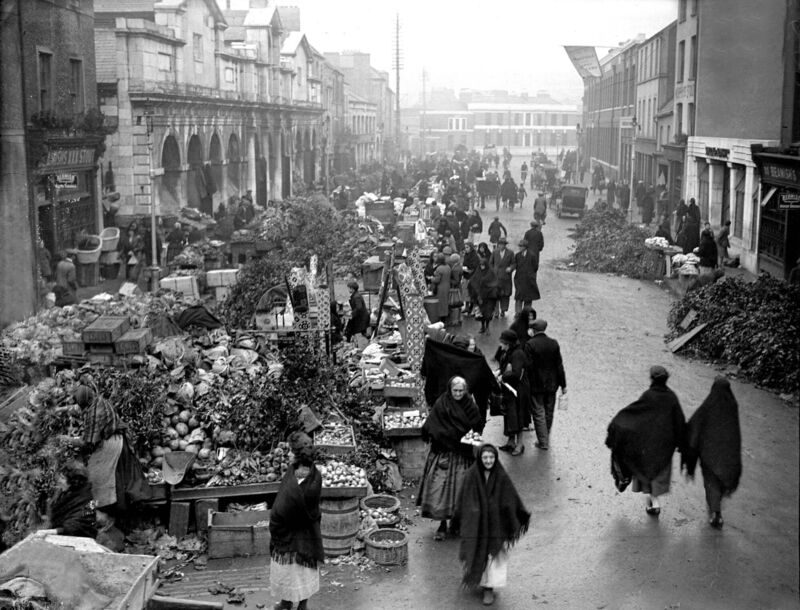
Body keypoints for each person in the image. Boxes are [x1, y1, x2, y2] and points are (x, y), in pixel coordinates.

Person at [61, 382, 150, 532]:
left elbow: (88, 442)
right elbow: (76, 409)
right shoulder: (97, 401)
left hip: (110, 444)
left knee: (95, 480)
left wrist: (67, 440)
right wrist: (59, 410)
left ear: (85, 401)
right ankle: (104, 514)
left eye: (79, 403)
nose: (78, 406)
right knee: (105, 480)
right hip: (113, 441)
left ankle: (97, 517)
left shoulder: (95, 412)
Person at [605, 366, 687, 516]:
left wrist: (617, 425)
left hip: (648, 444)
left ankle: (653, 502)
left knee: (648, 471)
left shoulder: (648, 396)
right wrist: (682, 444)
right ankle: (654, 501)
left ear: (652, 379)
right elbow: (679, 422)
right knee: (659, 473)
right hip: (664, 445)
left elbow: (635, 414)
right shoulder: (672, 398)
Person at [455, 443, 530, 606]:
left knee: (492, 557)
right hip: (477, 525)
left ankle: (489, 588)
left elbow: (510, 498)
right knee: (476, 550)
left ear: (495, 459)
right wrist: (473, 513)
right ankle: (479, 580)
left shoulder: (501, 476)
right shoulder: (471, 476)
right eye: (485, 457)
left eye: (491, 457)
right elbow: (464, 500)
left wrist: (518, 514)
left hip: (496, 525)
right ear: (480, 458)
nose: (488, 461)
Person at [417, 377, 485, 541]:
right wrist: (441, 435)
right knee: (440, 489)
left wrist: (473, 435)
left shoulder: (469, 405)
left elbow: (477, 424)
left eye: (461, 391)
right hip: (444, 453)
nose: (458, 394)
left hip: (463, 454)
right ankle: (441, 525)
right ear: (450, 390)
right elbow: (431, 424)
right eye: (455, 391)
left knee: (461, 490)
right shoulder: (443, 403)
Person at [269, 432, 325, 610]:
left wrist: (276, 521)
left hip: (299, 537)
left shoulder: (309, 484)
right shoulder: (294, 472)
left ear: (299, 455)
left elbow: (287, 510)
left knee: (299, 574)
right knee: (290, 574)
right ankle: (286, 602)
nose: (287, 454)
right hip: (294, 533)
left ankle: (302, 605)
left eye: (291, 452)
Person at [683, 376, 742, 529]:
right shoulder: (732, 405)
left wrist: (688, 446)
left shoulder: (709, 405)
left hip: (709, 455)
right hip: (729, 455)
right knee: (721, 483)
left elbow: (694, 425)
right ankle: (716, 510)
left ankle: (715, 512)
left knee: (711, 484)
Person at [524, 319, 566, 451]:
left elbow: (528, 366)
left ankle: (543, 441)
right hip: (552, 384)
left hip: (536, 384)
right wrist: (563, 384)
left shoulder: (530, 344)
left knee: (538, 412)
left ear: (533, 330)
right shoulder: (553, 343)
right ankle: (545, 435)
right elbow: (559, 365)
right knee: (549, 411)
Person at [38, 461, 97, 540]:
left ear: (73, 482)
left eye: (63, 478)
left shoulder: (86, 500)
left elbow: (78, 527)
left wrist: (51, 532)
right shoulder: (64, 493)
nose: (59, 480)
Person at [494, 330, 531, 456]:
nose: (501, 345)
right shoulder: (509, 352)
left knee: (518, 417)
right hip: (511, 390)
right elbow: (505, 367)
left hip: (518, 391)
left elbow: (516, 373)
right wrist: (499, 371)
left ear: (508, 343)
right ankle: (510, 441)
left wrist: (503, 376)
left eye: (503, 343)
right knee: (509, 415)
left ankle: (520, 444)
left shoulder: (518, 354)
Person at [469, 257, 498, 334]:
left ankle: (487, 327)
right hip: (479, 297)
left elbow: (494, 283)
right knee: (480, 313)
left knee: (488, 313)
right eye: (480, 265)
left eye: (483, 265)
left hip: (489, 297)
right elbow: (473, 281)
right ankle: (482, 327)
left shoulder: (490, 273)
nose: (482, 267)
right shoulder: (477, 272)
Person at [513, 239, 540, 313]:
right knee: (518, 297)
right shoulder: (517, 255)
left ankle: (526, 313)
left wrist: (530, 274)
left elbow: (535, 267)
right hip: (519, 279)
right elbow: (516, 265)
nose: (520, 248)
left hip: (529, 280)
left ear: (525, 247)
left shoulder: (532, 255)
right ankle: (518, 314)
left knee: (528, 298)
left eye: (521, 246)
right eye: (519, 246)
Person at [344, 280, 370, 348]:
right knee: (351, 329)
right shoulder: (356, 295)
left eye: (348, 288)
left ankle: (360, 345)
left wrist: (352, 313)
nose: (348, 289)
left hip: (361, 318)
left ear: (352, 289)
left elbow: (359, 307)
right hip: (360, 316)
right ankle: (355, 343)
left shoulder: (356, 297)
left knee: (356, 331)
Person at [429, 253, 452, 324]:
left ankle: (442, 320)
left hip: (441, 287)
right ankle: (446, 318)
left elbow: (437, 280)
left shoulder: (439, 269)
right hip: (447, 286)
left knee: (441, 304)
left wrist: (431, 278)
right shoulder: (448, 267)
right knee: (445, 303)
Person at [462, 243, 480, 315]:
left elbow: (475, 266)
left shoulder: (475, 256)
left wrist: (470, 270)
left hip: (473, 277)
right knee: (466, 293)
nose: (466, 249)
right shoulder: (466, 255)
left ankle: (473, 308)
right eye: (465, 247)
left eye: (467, 247)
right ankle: (466, 307)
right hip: (466, 276)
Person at [448, 253, 464, 327]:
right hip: (459, 287)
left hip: (455, 288)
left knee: (455, 305)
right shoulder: (459, 266)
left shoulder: (455, 269)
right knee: (459, 304)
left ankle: (455, 321)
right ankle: (459, 319)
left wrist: (449, 280)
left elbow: (456, 280)